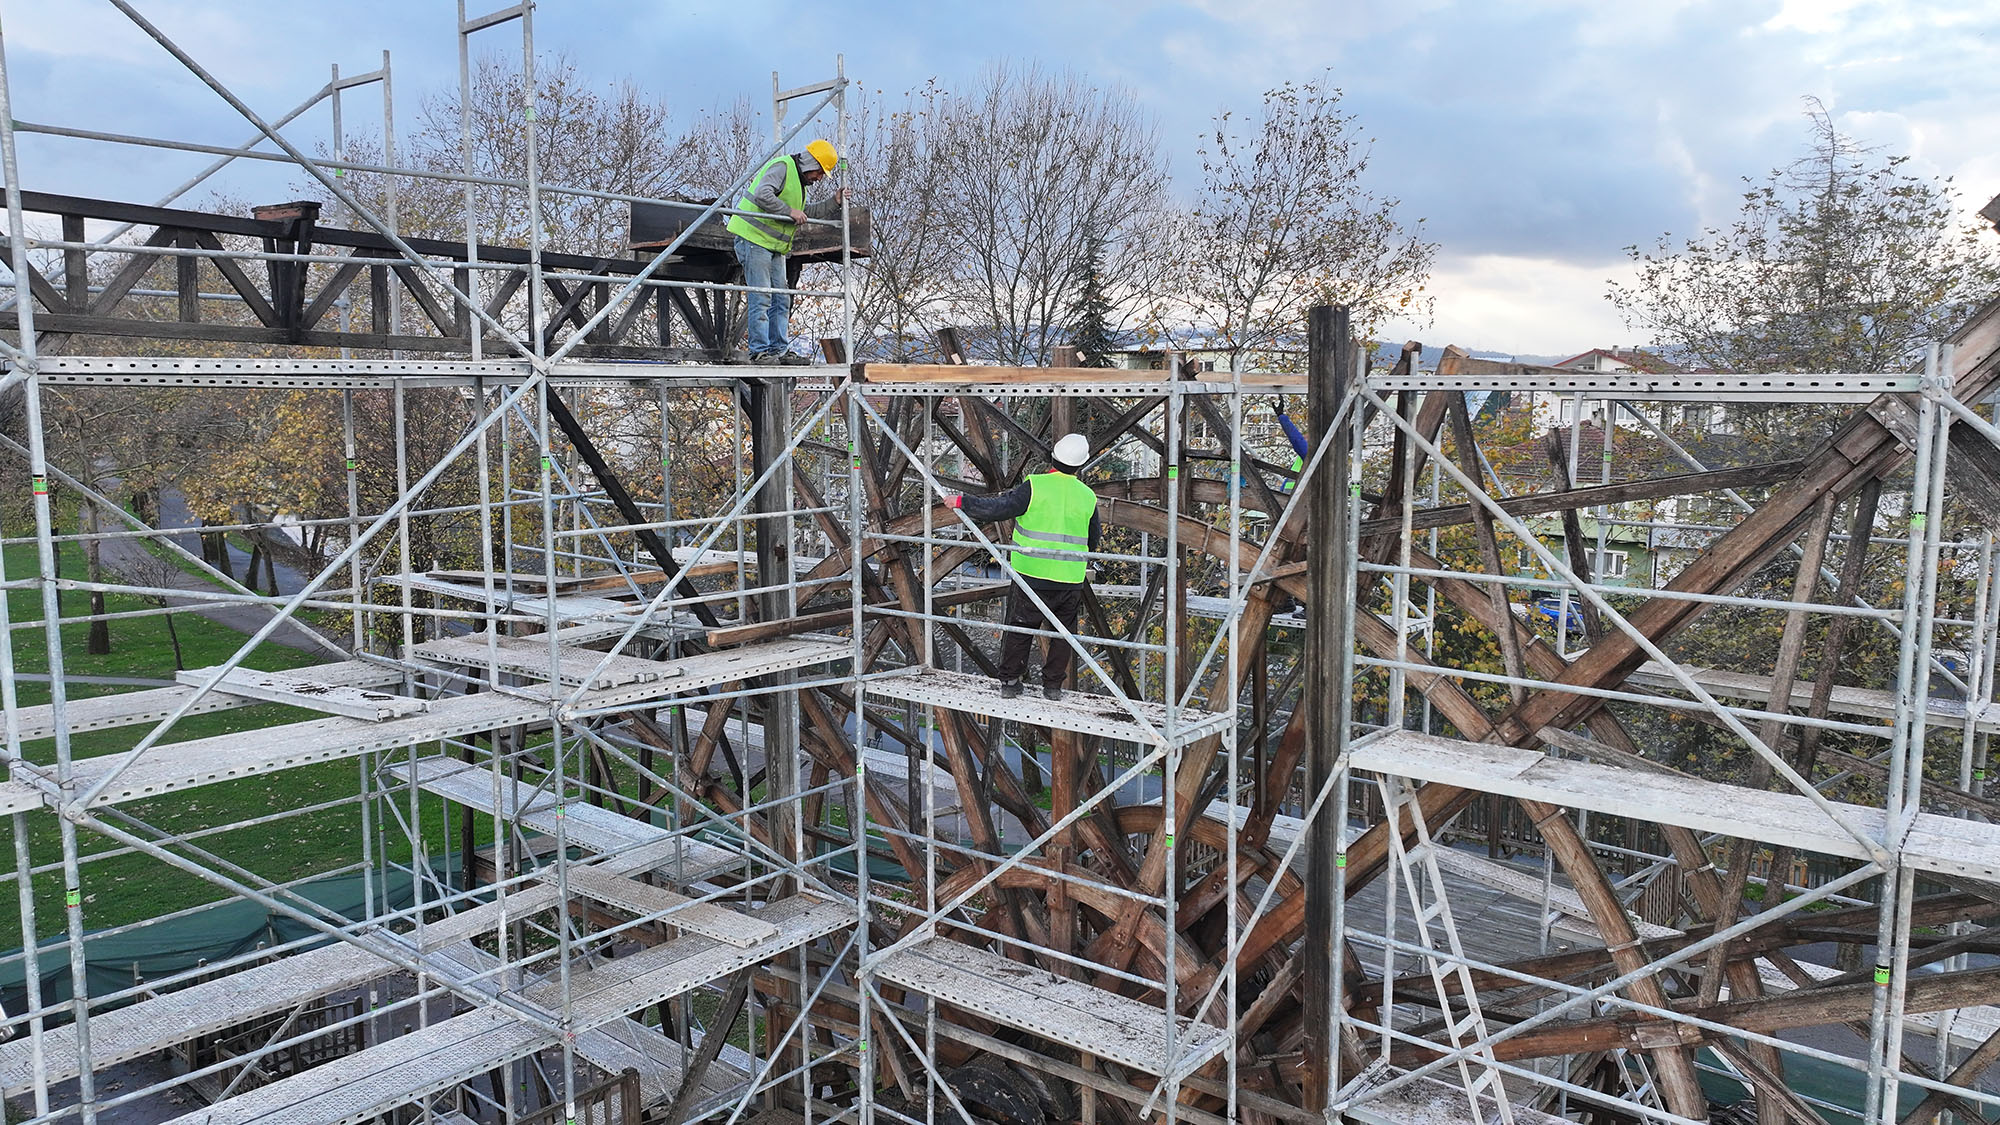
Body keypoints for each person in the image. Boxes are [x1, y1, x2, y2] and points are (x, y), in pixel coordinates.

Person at [948, 432, 1100, 701]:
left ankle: (1010, 681)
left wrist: (962, 502)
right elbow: (1093, 539)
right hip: (1070, 578)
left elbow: (999, 509)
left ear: (1054, 457)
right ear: (1081, 465)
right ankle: (1052, 687)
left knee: (1020, 628)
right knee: (1063, 634)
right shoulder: (1088, 496)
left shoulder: (1035, 486)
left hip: (1032, 574)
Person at [724, 138, 849, 364]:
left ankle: (778, 351)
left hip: (773, 246)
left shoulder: (799, 183)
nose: (819, 178)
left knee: (782, 299)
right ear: (812, 163)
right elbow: (763, 195)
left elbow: (804, 212)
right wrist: (788, 210)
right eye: (820, 172)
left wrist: (834, 202)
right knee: (761, 297)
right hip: (753, 239)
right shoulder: (783, 167)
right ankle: (759, 352)